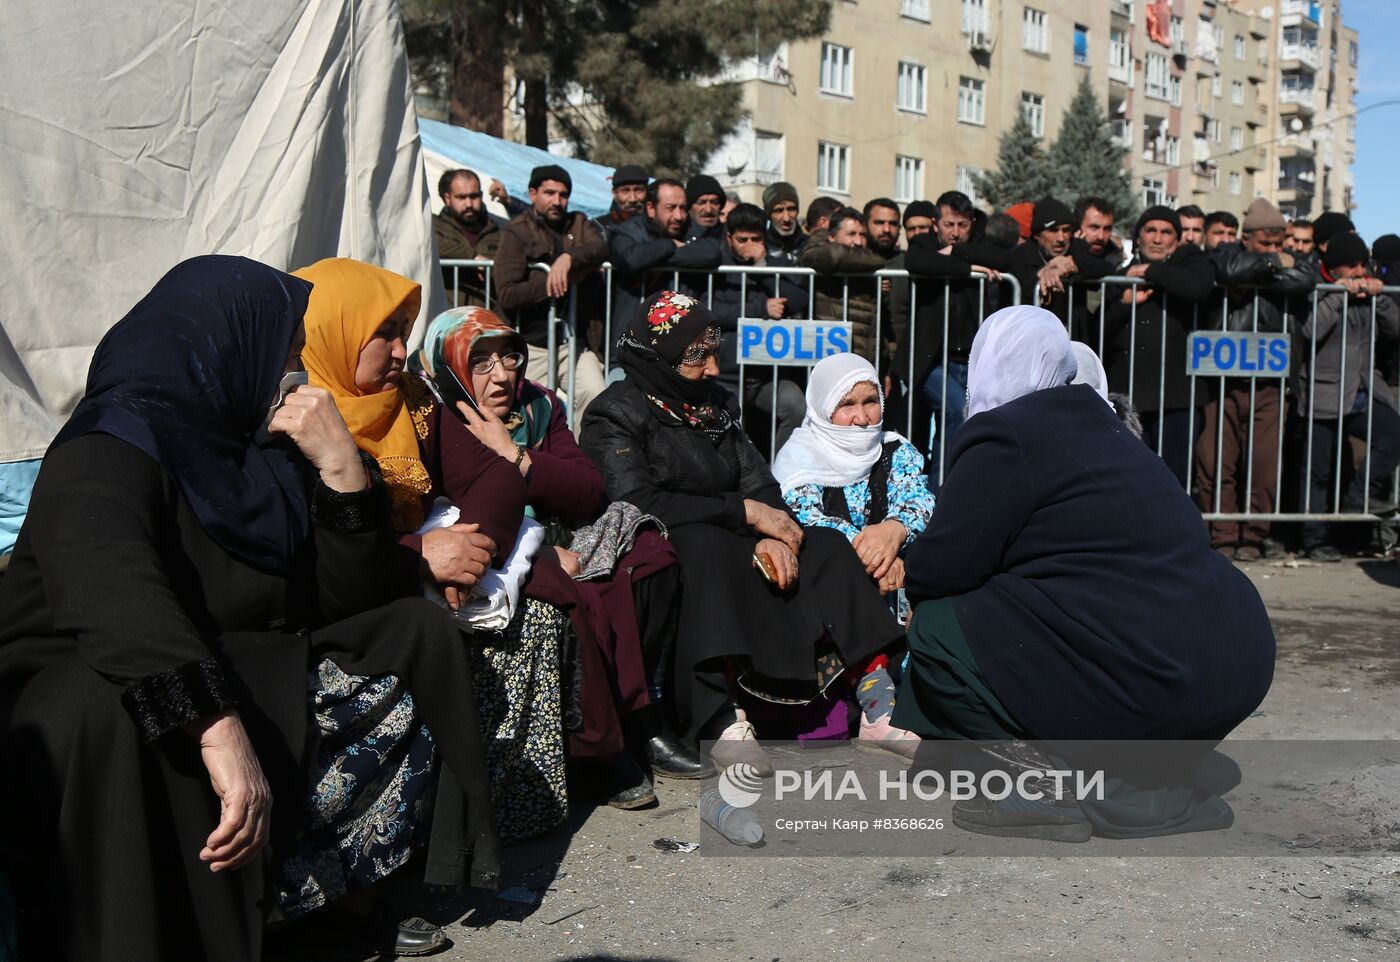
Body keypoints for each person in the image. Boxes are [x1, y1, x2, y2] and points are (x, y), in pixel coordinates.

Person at [0, 256, 498, 960]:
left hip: (228, 654)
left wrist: (343, 474)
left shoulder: (256, 453)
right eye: (286, 351)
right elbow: (110, 587)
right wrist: (218, 727)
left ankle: (321, 895)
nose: (296, 371)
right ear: (225, 346)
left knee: (411, 630)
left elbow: (344, 598)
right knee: (104, 710)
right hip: (95, 676)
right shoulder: (107, 443)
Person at [294, 258, 661, 824]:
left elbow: (503, 481)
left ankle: (522, 799)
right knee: (541, 588)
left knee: (563, 591)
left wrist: (471, 554)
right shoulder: (297, 419)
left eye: (402, 334)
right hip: (344, 596)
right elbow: (309, 553)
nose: (398, 351)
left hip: (450, 570)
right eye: (383, 334)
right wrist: (421, 560)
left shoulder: (419, 401)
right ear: (333, 334)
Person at [892, 305, 1275, 840]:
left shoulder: (1005, 432)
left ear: (987, 362)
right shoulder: (1105, 422)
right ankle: (1149, 779)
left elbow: (941, 568)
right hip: (1234, 662)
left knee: (937, 630)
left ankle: (1049, 791)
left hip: (1157, 675)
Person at [580, 291, 904, 764]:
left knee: (829, 546)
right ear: (662, 355)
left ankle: (876, 701)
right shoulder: (616, 412)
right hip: (675, 537)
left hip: (732, 528)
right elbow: (636, 500)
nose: (713, 368)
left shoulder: (713, 404)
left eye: (715, 351)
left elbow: (758, 480)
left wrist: (776, 531)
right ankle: (721, 717)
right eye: (699, 356)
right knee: (703, 547)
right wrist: (745, 515)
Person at [410, 306, 715, 792]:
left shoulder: (538, 407)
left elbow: (587, 488)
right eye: (481, 362)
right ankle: (605, 745)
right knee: (588, 590)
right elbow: (451, 511)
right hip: (492, 544)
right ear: (449, 367)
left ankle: (641, 716)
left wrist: (517, 456)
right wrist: (535, 550)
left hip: (556, 533)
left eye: (509, 357)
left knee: (651, 554)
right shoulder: (436, 417)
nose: (502, 374)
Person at [771, 354, 935, 756]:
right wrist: (875, 553)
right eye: (846, 405)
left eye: (870, 401)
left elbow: (920, 501)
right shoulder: (799, 460)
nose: (862, 418)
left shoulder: (897, 451)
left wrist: (894, 533)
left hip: (901, 582)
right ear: (823, 407)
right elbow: (807, 520)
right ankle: (877, 705)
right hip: (833, 593)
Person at [1196, 198, 1315, 561]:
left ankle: (1254, 534)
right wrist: (1272, 264)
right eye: (1265, 243)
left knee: (1264, 463)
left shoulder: (1294, 262)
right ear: (1247, 238)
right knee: (1217, 458)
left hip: (1271, 381)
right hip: (1224, 378)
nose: (1276, 251)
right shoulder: (1226, 253)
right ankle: (1223, 532)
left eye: (1280, 245)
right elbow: (1228, 270)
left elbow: (1304, 279)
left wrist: (1264, 267)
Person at [1293, 233, 1400, 560]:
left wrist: (1380, 299)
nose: (1358, 272)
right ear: (1333, 267)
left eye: (1361, 265)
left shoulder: (1368, 289)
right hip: (1322, 393)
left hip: (1361, 390)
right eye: (1350, 266)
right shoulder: (1316, 286)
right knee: (1317, 472)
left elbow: (1395, 329)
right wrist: (1338, 294)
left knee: (1393, 434)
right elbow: (1311, 330)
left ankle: (1359, 499)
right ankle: (1315, 539)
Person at [1103, 205, 1216, 486]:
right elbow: (1098, 329)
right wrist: (1123, 306)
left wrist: (1153, 272)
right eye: (1150, 230)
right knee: (1128, 479)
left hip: (1177, 399)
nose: (1157, 238)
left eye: (1166, 232)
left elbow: (1199, 286)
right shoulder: (1120, 275)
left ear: (1176, 240)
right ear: (1138, 237)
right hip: (1128, 399)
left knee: (1173, 481)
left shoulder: (1188, 266)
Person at [493, 164, 610, 422]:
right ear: (533, 194)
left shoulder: (578, 222)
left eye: (563, 194)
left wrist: (568, 258)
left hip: (574, 342)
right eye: (549, 193)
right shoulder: (517, 230)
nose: (557, 200)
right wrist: (554, 279)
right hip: (530, 344)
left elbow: (600, 247)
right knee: (530, 415)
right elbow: (507, 293)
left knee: (595, 395)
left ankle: (586, 460)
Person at [698, 202, 808, 449]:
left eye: (756, 239)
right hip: (725, 374)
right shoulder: (715, 264)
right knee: (732, 428)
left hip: (767, 374)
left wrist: (762, 266)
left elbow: (800, 297)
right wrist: (760, 309)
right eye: (742, 239)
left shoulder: (773, 262)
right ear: (729, 237)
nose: (749, 245)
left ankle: (781, 478)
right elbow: (707, 309)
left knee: (795, 406)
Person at [608, 178, 722, 354]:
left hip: (681, 347)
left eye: (683, 208)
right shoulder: (627, 231)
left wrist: (652, 258)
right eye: (670, 208)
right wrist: (670, 245)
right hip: (633, 348)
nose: (679, 216)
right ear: (651, 208)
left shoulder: (690, 229)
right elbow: (631, 258)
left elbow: (711, 252)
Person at [1008, 197, 1116, 335]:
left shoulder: (1076, 249)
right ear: (1037, 235)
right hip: (1026, 338)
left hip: (1070, 340)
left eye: (1066, 230)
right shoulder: (1019, 256)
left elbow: (1106, 267)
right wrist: (1041, 276)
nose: (1061, 238)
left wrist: (1072, 266)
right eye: (1053, 230)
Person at [800, 207, 891, 365]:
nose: (858, 241)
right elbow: (837, 256)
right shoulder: (820, 255)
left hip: (863, 364)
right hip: (828, 363)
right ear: (831, 237)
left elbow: (878, 329)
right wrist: (878, 262)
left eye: (862, 235)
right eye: (851, 234)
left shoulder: (870, 272)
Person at [435, 168, 504, 307]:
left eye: (474, 196)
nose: (469, 204)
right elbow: (431, 244)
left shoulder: (498, 232)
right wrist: (472, 257)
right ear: (447, 198)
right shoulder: (434, 226)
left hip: (491, 321)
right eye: (461, 197)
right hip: (450, 320)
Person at [594, 163, 650, 239]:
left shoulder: (660, 226)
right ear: (615, 193)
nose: (632, 199)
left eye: (638, 190)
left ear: (647, 191)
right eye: (625, 191)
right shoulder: (598, 228)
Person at [763, 181, 806, 265]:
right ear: (769, 214)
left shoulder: (810, 245)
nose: (786, 218)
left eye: (791, 209)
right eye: (779, 210)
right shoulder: (762, 246)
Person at [1074, 196, 1122, 268]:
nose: (1101, 236)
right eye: (1094, 228)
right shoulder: (1059, 254)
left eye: (1107, 229)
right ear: (1077, 228)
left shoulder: (1114, 260)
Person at [685, 174, 726, 240]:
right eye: (701, 203)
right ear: (689, 207)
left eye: (714, 202)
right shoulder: (676, 238)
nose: (708, 210)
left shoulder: (731, 239)